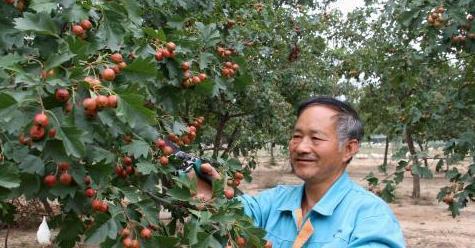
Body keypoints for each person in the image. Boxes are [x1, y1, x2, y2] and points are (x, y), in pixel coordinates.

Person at [193, 96, 405, 247]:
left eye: (316, 138)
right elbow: (230, 210)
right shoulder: (274, 203)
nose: (301, 147)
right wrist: (201, 180)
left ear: (349, 149)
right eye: (297, 136)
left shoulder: (370, 216)